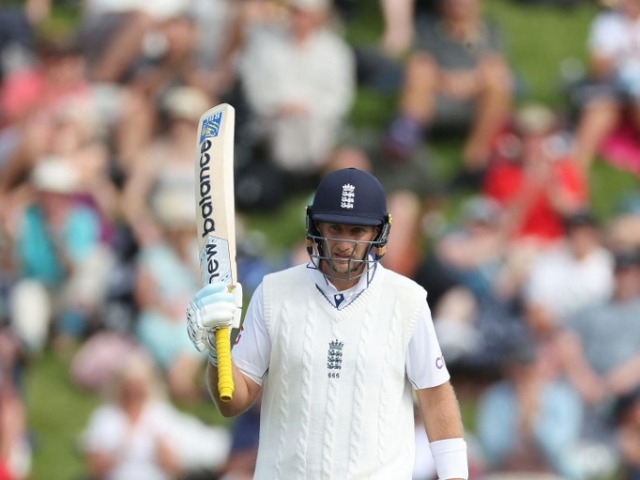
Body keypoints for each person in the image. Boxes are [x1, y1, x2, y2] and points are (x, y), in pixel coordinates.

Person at [186, 167, 469, 479]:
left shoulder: (407, 300)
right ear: (315, 226)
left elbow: (435, 397)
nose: (344, 244)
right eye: (335, 228)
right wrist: (217, 351)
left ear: (377, 233)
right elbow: (232, 402)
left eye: (356, 231)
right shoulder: (273, 293)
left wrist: (454, 476)